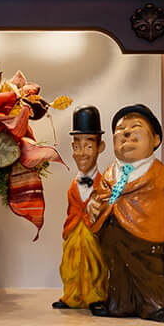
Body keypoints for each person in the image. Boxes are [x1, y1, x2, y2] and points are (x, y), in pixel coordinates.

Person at [85, 104, 164, 322]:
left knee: (149, 272)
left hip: (148, 235)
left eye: (135, 127)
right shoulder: (111, 171)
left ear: (156, 140)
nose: (126, 133)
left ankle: (155, 306)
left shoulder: (161, 173)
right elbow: (100, 194)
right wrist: (93, 204)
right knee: (117, 271)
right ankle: (119, 304)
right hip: (112, 233)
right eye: (120, 130)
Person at [52, 106, 108, 309]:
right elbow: (72, 210)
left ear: (100, 147)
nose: (81, 153)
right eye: (77, 147)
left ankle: (96, 297)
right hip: (74, 233)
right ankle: (72, 295)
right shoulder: (73, 185)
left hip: (93, 235)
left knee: (95, 266)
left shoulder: (104, 184)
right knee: (71, 265)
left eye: (88, 146)